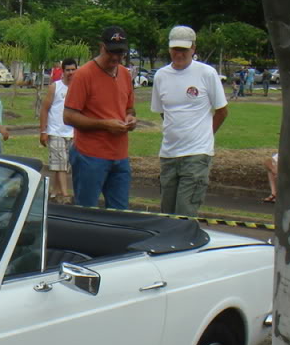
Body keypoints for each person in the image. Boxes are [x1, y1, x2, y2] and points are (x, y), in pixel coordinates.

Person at [150, 25, 229, 216]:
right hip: (169, 154)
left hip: (196, 154)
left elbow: (222, 110)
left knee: (185, 212)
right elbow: (163, 112)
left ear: (193, 48)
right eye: (175, 49)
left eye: (184, 49)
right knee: (167, 212)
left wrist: (205, 135)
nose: (179, 54)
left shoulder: (206, 73)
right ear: (169, 48)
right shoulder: (161, 76)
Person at [62, 25, 136, 210]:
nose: (116, 57)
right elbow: (69, 116)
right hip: (90, 155)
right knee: (86, 212)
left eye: (120, 53)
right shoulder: (84, 75)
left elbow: (130, 109)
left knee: (120, 214)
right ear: (102, 47)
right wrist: (104, 125)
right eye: (112, 52)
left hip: (120, 155)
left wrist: (130, 119)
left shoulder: (125, 74)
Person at [39, 58, 78, 203]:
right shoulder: (55, 87)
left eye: (73, 69)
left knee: (62, 164)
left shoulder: (78, 88)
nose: (71, 73)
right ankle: (65, 194)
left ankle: (54, 193)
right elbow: (45, 109)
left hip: (72, 133)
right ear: (63, 71)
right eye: (68, 70)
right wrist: (43, 131)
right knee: (60, 163)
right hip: (55, 131)